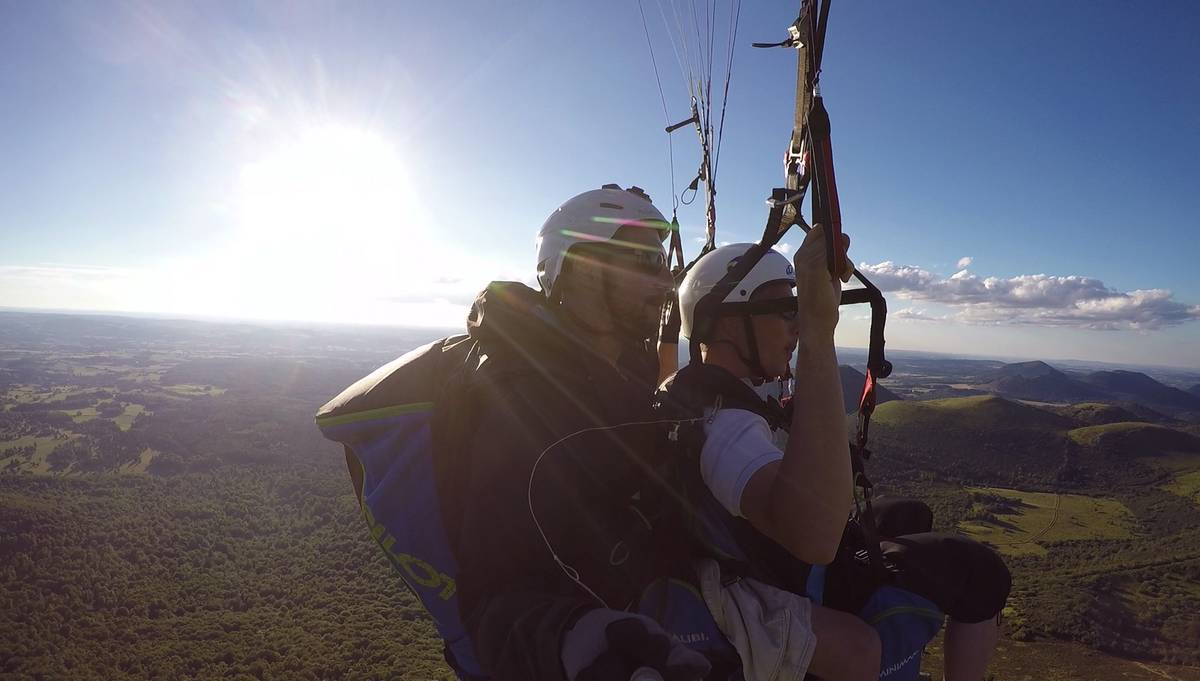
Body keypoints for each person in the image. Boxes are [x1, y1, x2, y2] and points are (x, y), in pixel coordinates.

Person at [662, 233, 1011, 681]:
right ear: (730, 322)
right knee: (982, 572)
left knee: (910, 514)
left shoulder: (702, 398)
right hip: (788, 572)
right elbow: (814, 539)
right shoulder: (727, 429)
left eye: (795, 311)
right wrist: (817, 333)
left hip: (765, 555)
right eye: (784, 311)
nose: (793, 324)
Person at [452, 184, 717, 681]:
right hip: (594, 630)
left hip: (646, 584)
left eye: (662, 262)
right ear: (584, 270)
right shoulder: (528, 405)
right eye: (645, 263)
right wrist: (584, 641)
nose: (666, 280)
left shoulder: (616, 365)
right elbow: (490, 598)